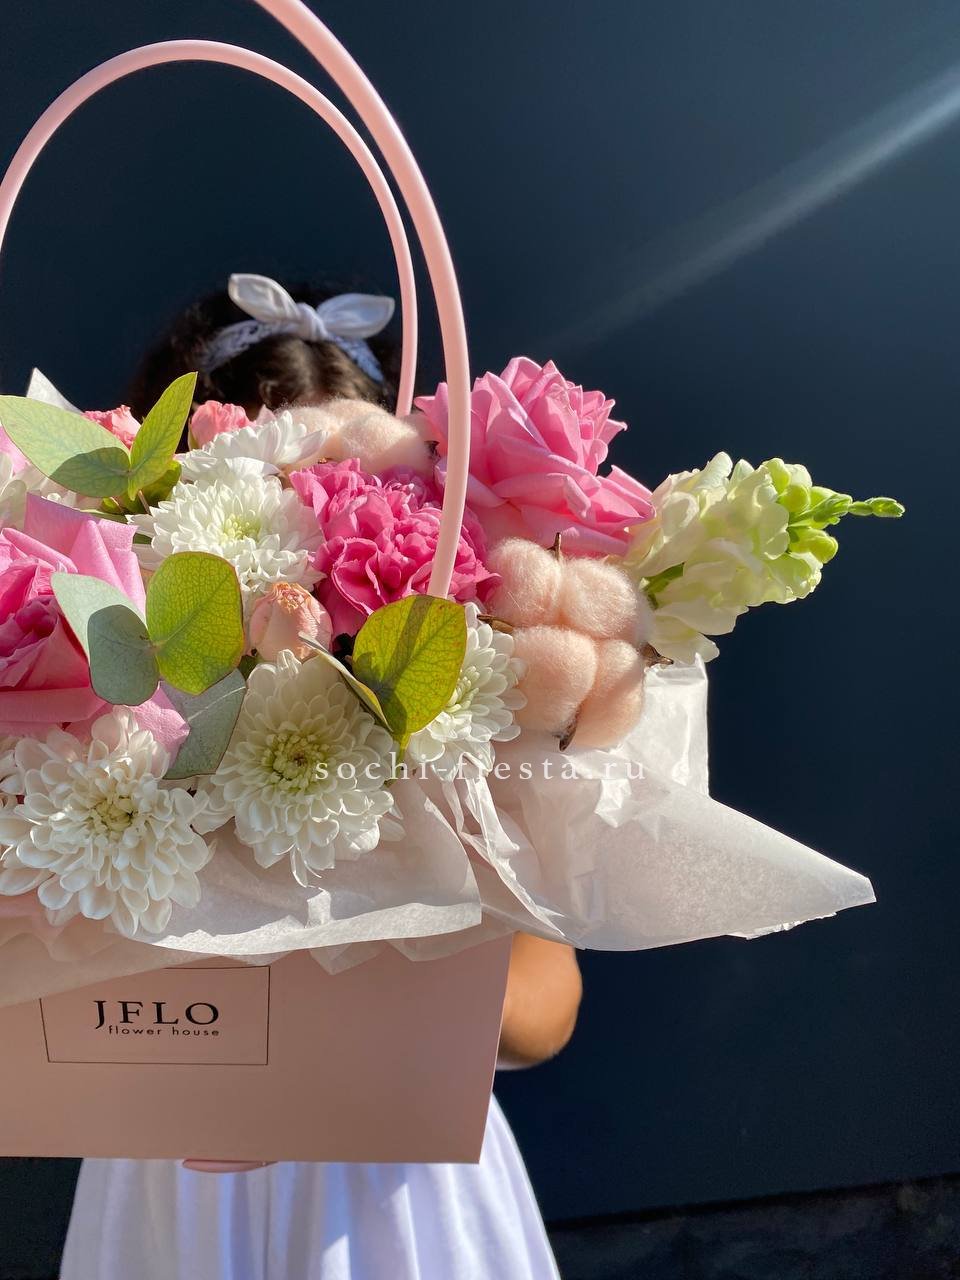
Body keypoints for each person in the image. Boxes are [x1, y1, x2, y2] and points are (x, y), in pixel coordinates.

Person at [59, 276, 582, 1280]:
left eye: (335, 496)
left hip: (403, 1176)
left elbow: (543, 1006)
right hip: (171, 1164)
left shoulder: (449, 704)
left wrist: (379, 941)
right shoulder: (106, 719)